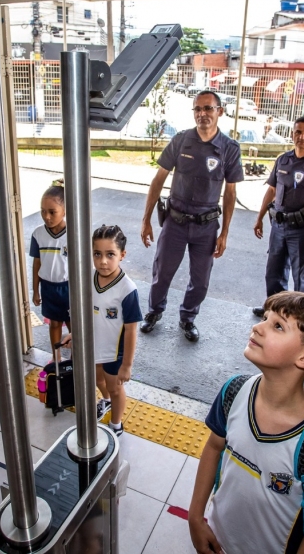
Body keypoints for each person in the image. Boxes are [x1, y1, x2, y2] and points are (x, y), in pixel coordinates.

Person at [188, 292, 304, 554]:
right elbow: (214, 448)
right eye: (265, 318)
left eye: (277, 326)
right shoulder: (234, 392)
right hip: (217, 538)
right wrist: (196, 517)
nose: (258, 327)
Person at [140, 90, 245, 342]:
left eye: (208, 108)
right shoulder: (181, 140)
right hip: (175, 222)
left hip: (206, 227)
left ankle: (187, 318)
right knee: (162, 273)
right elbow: (158, 180)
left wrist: (225, 233)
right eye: (197, 109)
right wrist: (146, 220)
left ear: (220, 111)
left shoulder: (230, 149)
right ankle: (154, 312)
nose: (202, 114)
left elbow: (230, 193)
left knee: (200, 280)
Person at [62, 225, 142, 435]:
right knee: (98, 380)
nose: (103, 261)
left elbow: (131, 330)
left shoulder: (127, 289)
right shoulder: (88, 278)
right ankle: (105, 401)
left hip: (115, 354)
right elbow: (84, 312)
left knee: (115, 388)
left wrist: (127, 365)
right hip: (93, 345)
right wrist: (75, 334)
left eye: (110, 254)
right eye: (97, 254)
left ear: (122, 255)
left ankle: (116, 424)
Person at [252, 116, 304, 318]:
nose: (302, 137)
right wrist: (260, 217)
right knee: (274, 272)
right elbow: (271, 190)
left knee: (301, 276)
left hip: (303, 230)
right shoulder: (283, 160)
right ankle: (274, 310)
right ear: (292, 134)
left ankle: (298, 317)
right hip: (279, 226)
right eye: (298, 132)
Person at [29, 184, 70, 351]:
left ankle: (76, 358)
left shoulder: (73, 233)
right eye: (43, 211)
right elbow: (37, 263)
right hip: (48, 288)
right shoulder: (38, 234)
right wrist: (35, 290)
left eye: (52, 212)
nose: (46, 216)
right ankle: (56, 357)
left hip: (69, 288)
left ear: (65, 211)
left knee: (74, 325)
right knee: (54, 324)